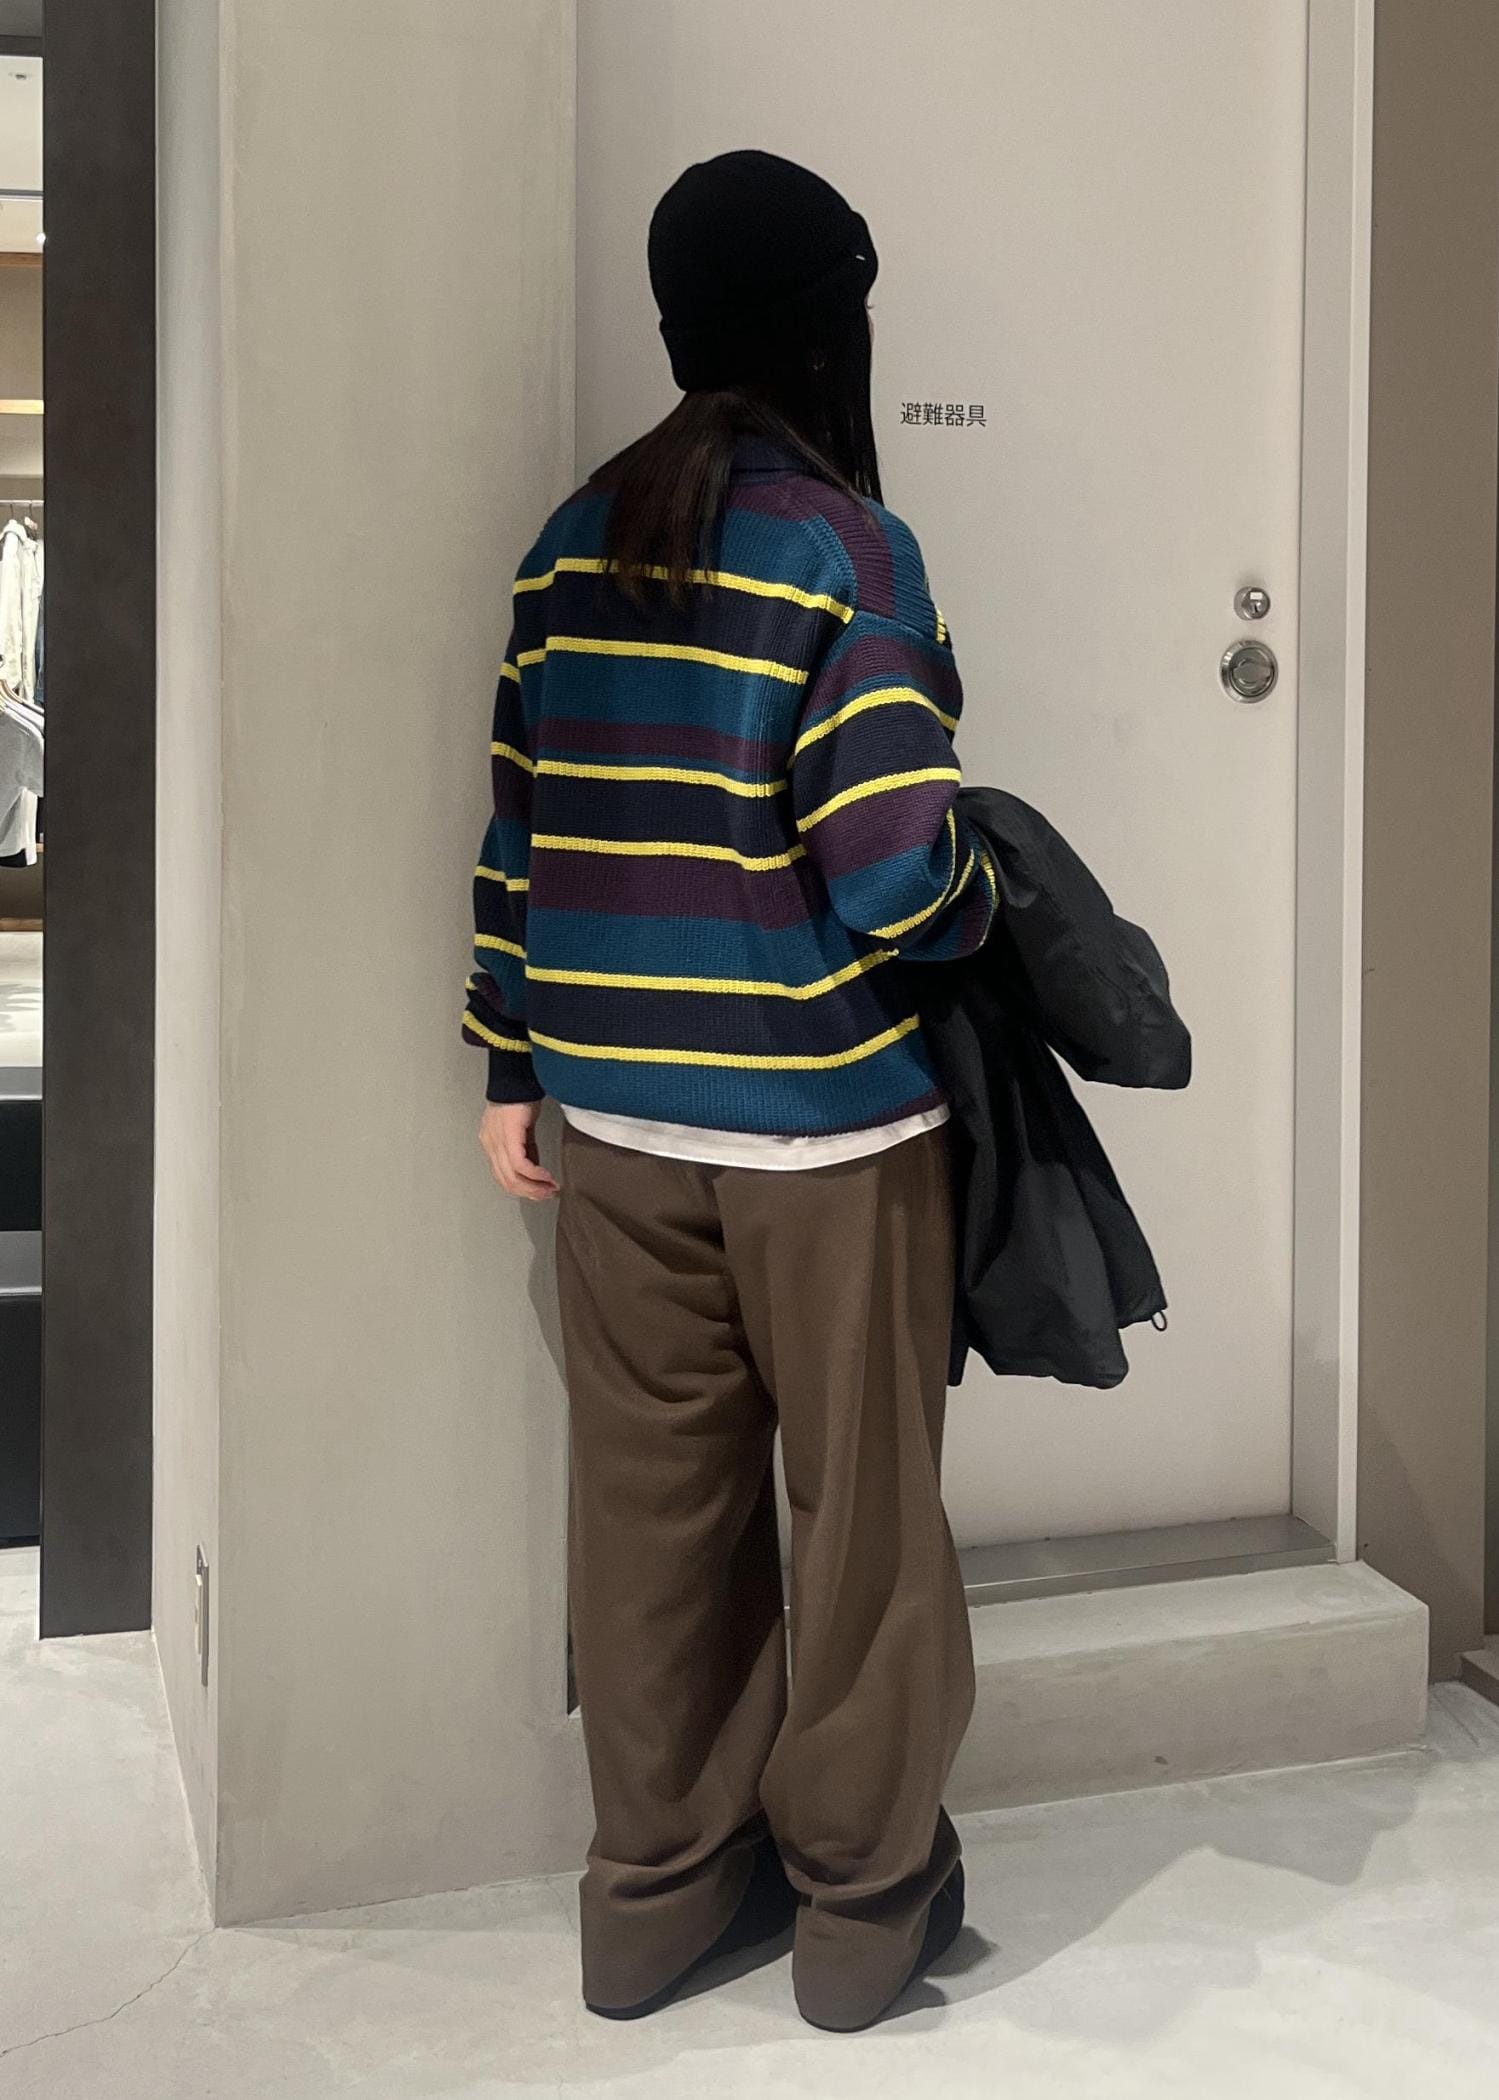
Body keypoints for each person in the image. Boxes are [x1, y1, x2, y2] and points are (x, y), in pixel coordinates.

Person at [466, 149, 997, 2034]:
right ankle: (859, 1920)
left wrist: (511, 1063)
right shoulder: (849, 550)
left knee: (650, 1531)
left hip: (613, 1127)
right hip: (828, 1129)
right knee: (862, 1534)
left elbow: (520, 833)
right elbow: (896, 868)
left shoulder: (570, 537)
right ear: (833, 326)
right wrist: (991, 898)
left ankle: (655, 1904)